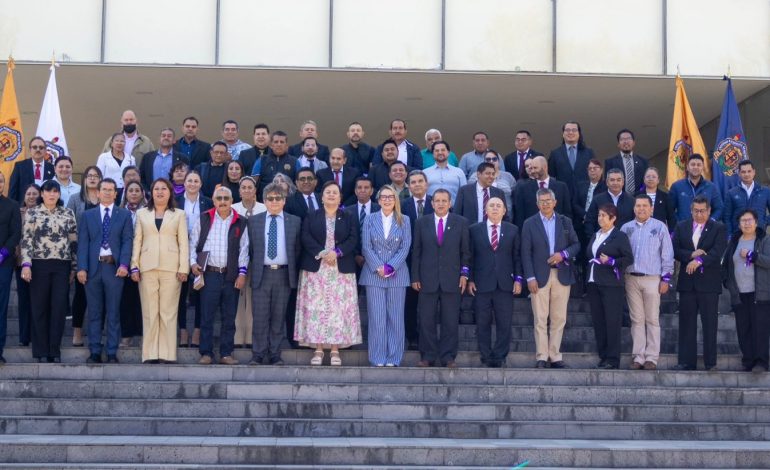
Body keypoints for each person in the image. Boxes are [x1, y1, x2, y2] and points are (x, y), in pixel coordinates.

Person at [295, 182, 361, 366]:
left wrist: (337, 252)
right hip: (317, 270)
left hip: (340, 270)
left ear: (340, 197)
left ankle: (334, 349)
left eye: (335, 192)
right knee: (317, 309)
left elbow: (353, 238)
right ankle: (317, 348)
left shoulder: (348, 216)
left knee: (337, 310)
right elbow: (305, 237)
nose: (331, 195)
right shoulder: (311, 216)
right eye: (328, 192)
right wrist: (324, 253)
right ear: (321, 197)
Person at [130, 178, 189, 364]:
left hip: (171, 268)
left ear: (170, 192)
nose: (160, 192)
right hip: (147, 267)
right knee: (149, 311)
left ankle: (167, 354)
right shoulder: (142, 213)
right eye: (156, 188)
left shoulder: (179, 214)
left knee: (168, 312)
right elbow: (137, 241)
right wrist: (134, 265)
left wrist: (183, 267)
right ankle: (150, 353)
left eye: (164, 188)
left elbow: (184, 243)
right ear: (151, 192)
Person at [411, 189, 471, 368]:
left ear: (450, 203)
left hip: (452, 279)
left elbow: (466, 252)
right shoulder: (422, 222)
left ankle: (448, 357)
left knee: (450, 321)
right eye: (437, 200)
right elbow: (417, 252)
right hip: (427, 279)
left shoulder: (461, 222)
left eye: (444, 200)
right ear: (432, 203)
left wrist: (464, 274)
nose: (441, 204)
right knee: (426, 320)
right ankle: (427, 356)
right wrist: (415, 276)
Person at [521, 188, 580, 368]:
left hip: (561, 274)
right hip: (538, 276)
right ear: (537, 204)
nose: (545, 204)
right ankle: (541, 356)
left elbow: (576, 245)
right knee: (540, 318)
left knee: (559, 318)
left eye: (549, 200)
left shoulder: (565, 222)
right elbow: (525, 252)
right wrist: (529, 277)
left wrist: (563, 254)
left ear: (555, 202)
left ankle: (555, 356)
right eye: (542, 201)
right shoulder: (529, 223)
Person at [189, 186, 249, 365]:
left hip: (231, 276)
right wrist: (192, 263)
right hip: (209, 274)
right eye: (219, 198)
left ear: (232, 201)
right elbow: (193, 244)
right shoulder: (205, 218)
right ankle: (206, 353)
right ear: (214, 201)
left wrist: (242, 273)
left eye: (226, 198)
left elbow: (244, 250)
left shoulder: (241, 221)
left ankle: (226, 353)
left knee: (229, 317)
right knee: (206, 316)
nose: (223, 201)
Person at [76, 178, 133, 364]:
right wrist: (81, 268)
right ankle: (94, 350)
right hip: (92, 269)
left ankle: (111, 351)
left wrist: (124, 265)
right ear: (97, 193)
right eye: (104, 189)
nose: (108, 192)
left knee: (114, 311)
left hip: (114, 269)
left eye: (111, 190)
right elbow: (83, 243)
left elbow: (127, 242)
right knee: (94, 312)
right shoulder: (87, 215)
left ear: (116, 194)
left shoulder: (124, 215)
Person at [20, 180, 78, 363]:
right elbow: (26, 240)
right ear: (42, 194)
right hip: (39, 264)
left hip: (62, 265)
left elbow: (74, 242)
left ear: (59, 195)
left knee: (58, 308)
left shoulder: (68, 213)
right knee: (39, 308)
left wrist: (74, 267)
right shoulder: (33, 213)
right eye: (48, 191)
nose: (52, 194)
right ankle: (40, 351)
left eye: (55, 191)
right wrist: (26, 265)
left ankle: (54, 351)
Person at [248, 183, 301, 365]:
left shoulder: (294, 221)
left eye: (278, 198)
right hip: (261, 274)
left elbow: (297, 250)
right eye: (270, 198)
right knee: (260, 317)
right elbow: (251, 250)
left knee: (278, 318)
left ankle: (275, 354)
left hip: (284, 275)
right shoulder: (254, 221)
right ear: (264, 201)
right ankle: (258, 354)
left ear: (284, 201)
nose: (274, 202)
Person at [671, 195, 727, 371]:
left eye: (703, 211)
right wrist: (691, 255)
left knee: (710, 323)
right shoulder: (682, 226)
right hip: (687, 284)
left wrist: (700, 260)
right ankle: (687, 361)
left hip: (709, 284)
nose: (699, 214)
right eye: (696, 211)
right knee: (687, 323)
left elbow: (718, 250)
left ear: (709, 211)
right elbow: (675, 250)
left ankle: (710, 362)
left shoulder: (718, 227)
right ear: (691, 210)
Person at [620, 194, 674, 370]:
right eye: (638, 206)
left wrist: (666, 278)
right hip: (631, 278)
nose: (641, 209)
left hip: (652, 278)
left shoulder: (659, 227)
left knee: (651, 319)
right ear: (633, 208)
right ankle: (638, 356)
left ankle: (652, 357)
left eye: (645, 206)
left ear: (651, 208)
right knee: (636, 319)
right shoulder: (626, 228)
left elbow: (667, 254)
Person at [360, 185, 412, 367]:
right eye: (384, 197)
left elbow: (405, 247)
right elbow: (366, 246)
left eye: (391, 196)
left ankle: (394, 358)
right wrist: (379, 267)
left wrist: (391, 266)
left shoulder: (404, 220)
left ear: (396, 200)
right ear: (379, 200)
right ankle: (377, 357)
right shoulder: (369, 219)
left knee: (396, 318)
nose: (387, 199)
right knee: (377, 318)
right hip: (374, 275)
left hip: (397, 275)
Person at [468, 197, 522, 368]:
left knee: (504, 322)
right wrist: (469, 279)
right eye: (491, 205)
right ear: (485, 209)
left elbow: (517, 257)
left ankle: (499, 355)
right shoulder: (474, 229)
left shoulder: (513, 230)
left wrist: (518, 279)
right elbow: (469, 256)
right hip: (481, 283)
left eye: (499, 206)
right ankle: (485, 354)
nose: (495, 208)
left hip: (505, 283)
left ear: (505, 210)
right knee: (482, 321)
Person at [585, 204, 634, 370]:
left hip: (612, 284)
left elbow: (628, 258)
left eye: (604, 216)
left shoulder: (619, 236)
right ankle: (603, 356)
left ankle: (613, 359)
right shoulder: (595, 234)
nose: (600, 219)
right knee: (599, 321)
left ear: (613, 219)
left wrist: (612, 262)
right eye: (599, 215)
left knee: (612, 322)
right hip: (594, 283)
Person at [722, 209, 770, 372]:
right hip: (739, 294)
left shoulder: (764, 240)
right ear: (739, 223)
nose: (746, 223)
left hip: (760, 293)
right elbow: (727, 263)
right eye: (743, 220)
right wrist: (727, 282)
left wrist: (752, 255)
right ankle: (748, 360)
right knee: (744, 329)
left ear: (756, 222)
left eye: (749, 220)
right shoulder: (735, 241)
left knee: (760, 329)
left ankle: (761, 362)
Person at [176, 171, 213, 347]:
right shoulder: (175, 201)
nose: (192, 183)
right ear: (184, 183)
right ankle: (183, 331)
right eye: (189, 180)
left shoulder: (207, 201)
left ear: (200, 184)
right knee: (181, 294)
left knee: (200, 293)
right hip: (178, 251)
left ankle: (197, 331)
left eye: (196, 181)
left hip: (200, 252)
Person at [67, 165, 103, 347]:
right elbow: (69, 226)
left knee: (101, 294)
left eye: (96, 176)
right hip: (82, 251)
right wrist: (75, 255)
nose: (92, 178)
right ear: (84, 179)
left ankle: (97, 332)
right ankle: (77, 331)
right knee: (81, 294)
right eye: (89, 175)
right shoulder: (75, 199)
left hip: (103, 254)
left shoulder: (107, 198)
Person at [231, 176, 266, 349]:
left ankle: (252, 337)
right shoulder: (232, 209)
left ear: (255, 190)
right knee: (237, 298)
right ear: (239, 191)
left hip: (258, 260)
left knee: (254, 299)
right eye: (243, 187)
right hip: (236, 260)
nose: (246, 190)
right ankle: (238, 337)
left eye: (249, 187)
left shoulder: (264, 208)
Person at [400, 170, 432, 350]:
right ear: (409, 186)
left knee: (429, 302)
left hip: (432, 260)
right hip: (409, 259)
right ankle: (412, 336)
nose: (417, 184)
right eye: (413, 182)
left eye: (420, 181)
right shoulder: (403, 205)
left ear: (426, 184)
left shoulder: (437, 201)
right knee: (410, 302)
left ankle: (428, 337)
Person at [119, 180, 146, 346]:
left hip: (144, 262)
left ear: (142, 193)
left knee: (143, 300)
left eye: (137, 190)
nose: (134, 193)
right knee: (126, 300)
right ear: (126, 194)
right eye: (131, 191)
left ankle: (144, 334)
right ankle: (127, 334)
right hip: (124, 262)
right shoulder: (119, 212)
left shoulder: (149, 212)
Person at [513, 156, 572, 228]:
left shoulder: (561, 187)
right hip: (533, 232)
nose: (532, 171)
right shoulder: (524, 188)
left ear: (545, 167)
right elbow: (520, 216)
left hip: (557, 230)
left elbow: (567, 212)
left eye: (535, 168)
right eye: (531, 168)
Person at [0, 172, 21, 363]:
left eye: (0, 180)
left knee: (1, 308)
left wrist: (3, 253)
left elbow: (16, 233)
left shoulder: (12, 205)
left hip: (3, 264)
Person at [15, 184, 39, 347]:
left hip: (40, 262)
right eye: (28, 193)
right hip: (21, 262)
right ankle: (24, 336)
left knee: (38, 300)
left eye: (34, 194)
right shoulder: (17, 213)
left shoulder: (44, 213)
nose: (31, 196)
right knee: (24, 299)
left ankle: (37, 335)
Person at [669, 154, 723, 223]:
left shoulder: (711, 187)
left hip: (705, 230)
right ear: (687, 167)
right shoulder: (677, 186)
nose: (695, 167)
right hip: (684, 230)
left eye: (698, 165)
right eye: (693, 164)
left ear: (702, 167)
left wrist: (711, 221)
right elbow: (670, 210)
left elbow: (719, 208)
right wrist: (678, 224)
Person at [547, 121, 595, 196]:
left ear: (579, 134)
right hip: (562, 194)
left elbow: (594, 173)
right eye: (567, 130)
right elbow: (551, 177)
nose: (571, 132)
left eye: (574, 130)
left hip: (584, 194)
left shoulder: (589, 152)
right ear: (563, 134)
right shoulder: (555, 153)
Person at [723, 160, 770, 235]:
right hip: (738, 235)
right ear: (739, 173)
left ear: (754, 172)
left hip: (759, 234)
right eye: (743, 172)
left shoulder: (765, 191)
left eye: (749, 171)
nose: (746, 174)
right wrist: (729, 235)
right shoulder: (731, 193)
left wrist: (763, 222)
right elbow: (726, 217)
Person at [584, 168, 635, 237]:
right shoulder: (597, 199)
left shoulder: (631, 201)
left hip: (625, 241)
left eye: (618, 180)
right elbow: (589, 222)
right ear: (607, 182)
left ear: (623, 182)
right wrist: (594, 239)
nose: (615, 183)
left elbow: (634, 222)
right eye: (612, 180)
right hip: (601, 241)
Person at [253, 131, 298, 200]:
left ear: (286, 145)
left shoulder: (295, 161)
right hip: (266, 201)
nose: (279, 144)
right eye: (276, 142)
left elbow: (299, 183)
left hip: (289, 202)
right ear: (271, 145)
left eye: (282, 142)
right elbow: (253, 182)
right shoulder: (261, 160)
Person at [8, 136, 54, 203]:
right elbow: (13, 191)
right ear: (30, 150)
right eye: (34, 147)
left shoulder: (52, 168)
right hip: (24, 209)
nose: (38, 149)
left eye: (41, 147)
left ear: (45, 151)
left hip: (46, 208)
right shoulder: (20, 166)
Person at [604, 129, 648, 195]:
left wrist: (641, 191)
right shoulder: (610, 162)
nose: (626, 141)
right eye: (622, 139)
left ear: (633, 143)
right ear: (618, 144)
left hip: (639, 199)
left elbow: (646, 182)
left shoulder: (643, 161)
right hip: (618, 198)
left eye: (628, 138)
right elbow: (607, 183)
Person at [638, 167, 676, 231]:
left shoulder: (665, 197)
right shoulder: (636, 196)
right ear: (644, 179)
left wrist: (671, 233)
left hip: (659, 231)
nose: (651, 179)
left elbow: (671, 218)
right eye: (648, 176)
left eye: (653, 177)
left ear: (658, 180)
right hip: (640, 230)